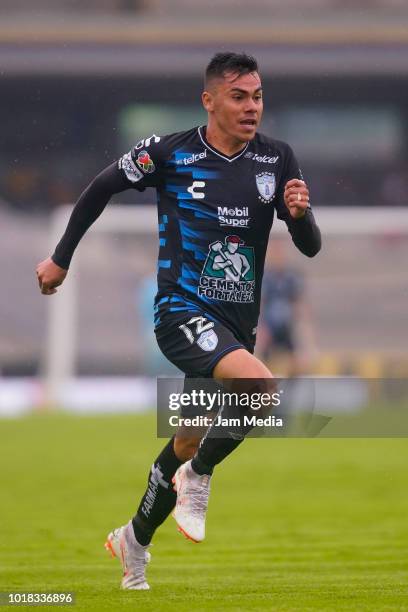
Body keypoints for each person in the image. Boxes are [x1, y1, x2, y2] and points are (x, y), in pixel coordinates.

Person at [36, 52, 321, 591]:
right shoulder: (169, 153)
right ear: (209, 100)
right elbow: (101, 188)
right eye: (239, 96)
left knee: (188, 440)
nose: (252, 107)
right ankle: (200, 477)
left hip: (237, 326)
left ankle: (134, 540)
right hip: (181, 313)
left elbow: (309, 248)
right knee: (260, 386)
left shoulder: (277, 159)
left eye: (257, 96)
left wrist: (302, 217)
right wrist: (61, 258)